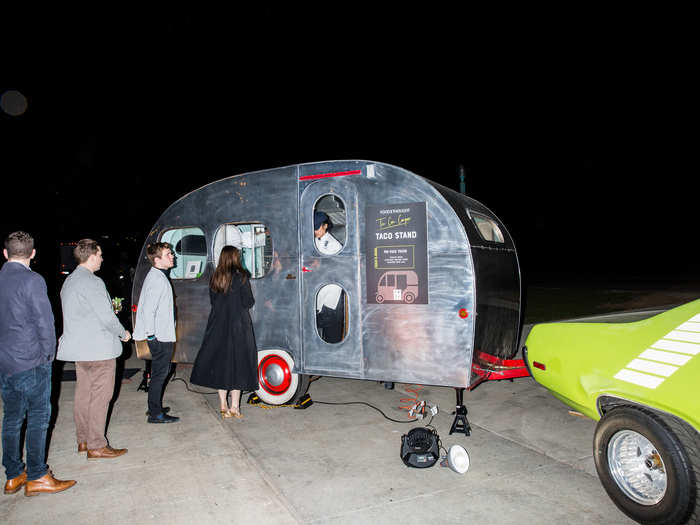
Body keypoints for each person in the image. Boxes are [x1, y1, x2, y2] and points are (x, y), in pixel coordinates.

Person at [0, 231, 76, 496]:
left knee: (11, 419)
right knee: (38, 418)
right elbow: (45, 323)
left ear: (5, 253)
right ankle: (37, 475)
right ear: (33, 253)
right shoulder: (32, 280)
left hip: (6, 363)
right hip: (31, 361)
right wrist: (48, 356)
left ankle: (13, 475)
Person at [57, 239, 130, 459]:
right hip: (99, 351)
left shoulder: (69, 281)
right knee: (101, 397)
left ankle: (83, 439)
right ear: (91, 256)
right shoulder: (93, 282)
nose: (102, 258)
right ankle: (97, 444)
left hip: (80, 351)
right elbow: (106, 317)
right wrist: (123, 332)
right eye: (99, 255)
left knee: (83, 395)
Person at [189, 246, 258, 419]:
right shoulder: (241, 276)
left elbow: (213, 302)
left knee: (222, 364)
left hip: (218, 325)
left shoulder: (215, 277)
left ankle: (222, 404)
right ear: (235, 258)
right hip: (238, 326)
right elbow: (248, 301)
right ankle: (235, 407)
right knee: (239, 364)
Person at [133, 242, 180, 423]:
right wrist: (151, 336)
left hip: (161, 334)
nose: (172, 256)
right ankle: (155, 414)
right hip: (160, 336)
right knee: (160, 374)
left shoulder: (157, 276)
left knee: (160, 371)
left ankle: (155, 407)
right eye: (168, 254)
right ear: (157, 259)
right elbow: (147, 311)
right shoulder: (157, 280)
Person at [313, 212, 345, 343]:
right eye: (313, 228)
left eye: (317, 228)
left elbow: (338, 270)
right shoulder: (313, 241)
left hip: (332, 296)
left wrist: (319, 266)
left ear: (325, 226)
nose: (315, 231)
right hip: (319, 293)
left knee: (332, 333)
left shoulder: (334, 245)